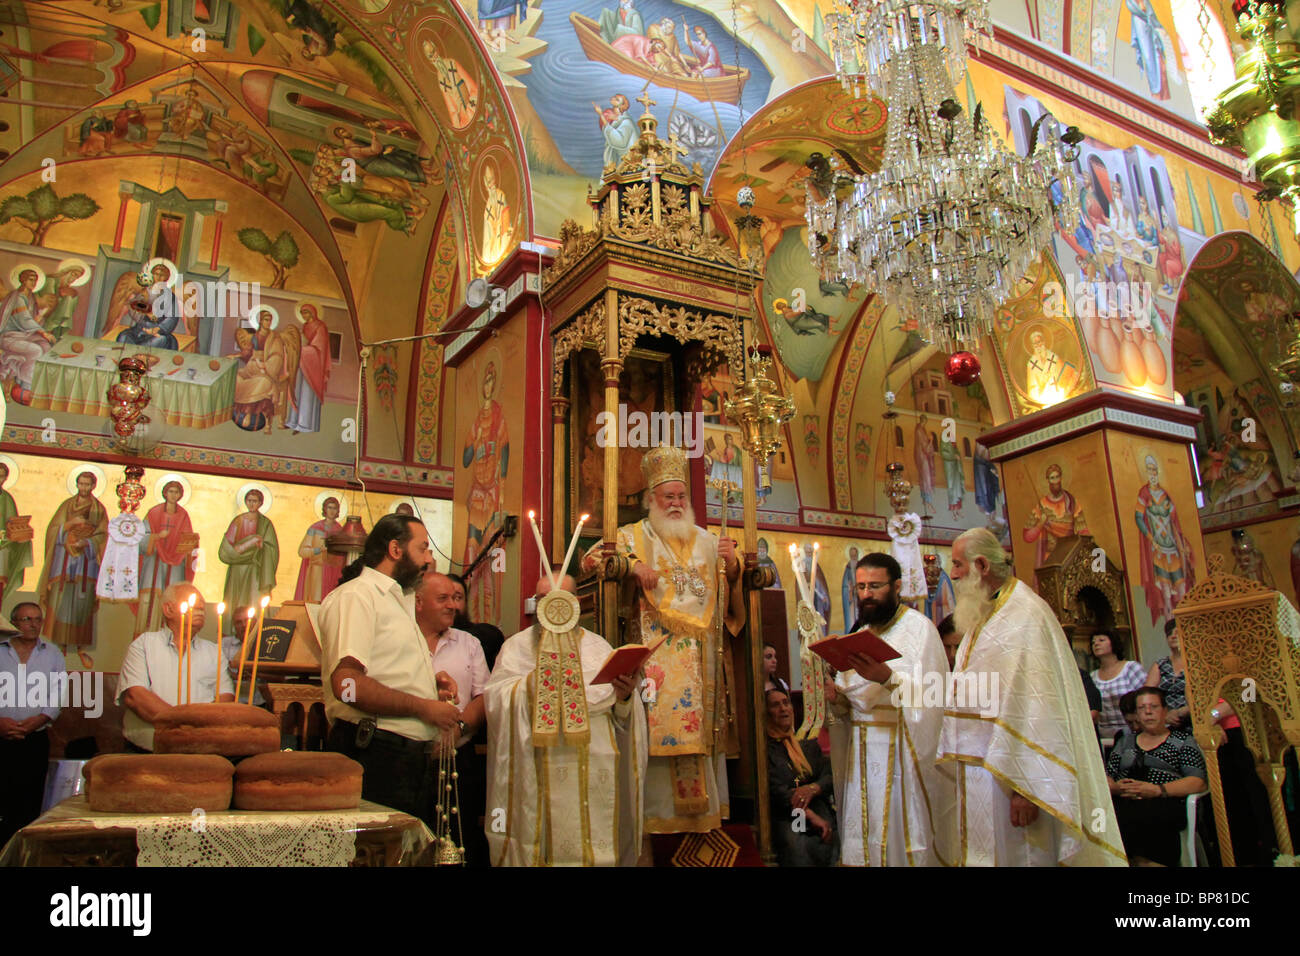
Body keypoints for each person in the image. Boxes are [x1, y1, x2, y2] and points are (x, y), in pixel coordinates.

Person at [939, 527, 1127, 865]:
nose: (952, 575)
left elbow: (1039, 709)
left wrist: (1027, 790)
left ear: (981, 565)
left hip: (1015, 781)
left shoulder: (1024, 616)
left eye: (957, 565)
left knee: (1022, 856)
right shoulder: (983, 615)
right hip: (981, 775)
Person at [582, 444, 744, 835]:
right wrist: (632, 565)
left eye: (680, 496)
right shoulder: (631, 536)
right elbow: (590, 559)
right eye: (667, 496)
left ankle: (701, 823)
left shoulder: (707, 541)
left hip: (701, 664)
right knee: (653, 737)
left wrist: (734, 565)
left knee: (700, 737)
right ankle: (655, 822)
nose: (675, 503)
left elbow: (729, 595)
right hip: (655, 661)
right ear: (651, 500)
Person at [484, 574, 647, 865]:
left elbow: (621, 717)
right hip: (537, 770)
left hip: (596, 771)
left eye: (559, 599)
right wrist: (534, 687)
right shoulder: (516, 648)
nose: (550, 608)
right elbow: (496, 701)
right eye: (543, 600)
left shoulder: (599, 648)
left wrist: (624, 698)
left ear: (575, 603)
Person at [320, 514, 460, 826]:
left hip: (402, 757)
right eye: (423, 549)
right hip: (374, 753)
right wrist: (422, 706)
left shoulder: (400, 600)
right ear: (396, 550)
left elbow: (385, 671)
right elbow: (347, 685)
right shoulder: (358, 596)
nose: (429, 558)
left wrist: (426, 686)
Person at [826, 552, 950, 866]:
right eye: (862, 586)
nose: (866, 594)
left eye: (875, 586)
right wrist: (834, 697)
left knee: (898, 836)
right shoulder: (860, 632)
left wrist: (888, 678)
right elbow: (851, 700)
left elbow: (935, 700)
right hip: (862, 755)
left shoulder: (920, 630)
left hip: (903, 755)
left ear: (896, 587)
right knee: (865, 836)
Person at [415, 571, 490, 866]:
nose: (452, 606)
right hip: (409, 758)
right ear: (419, 602)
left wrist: (457, 730)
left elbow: (484, 697)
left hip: (459, 760)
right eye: (442, 598)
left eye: (455, 599)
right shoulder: (399, 639)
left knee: (460, 841)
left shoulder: (469, 643)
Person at [118, 585, 235, 752]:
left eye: (202, 606)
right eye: (194, 604)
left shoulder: (213, 652)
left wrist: (198, 730)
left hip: (200, 750)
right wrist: (184, 727)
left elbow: (225, 698)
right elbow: (136, 697)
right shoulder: (144, 645)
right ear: (168, 609)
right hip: (148, 751)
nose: (201, 608)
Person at [1106, 687, 1206, 866]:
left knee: (1146, 815)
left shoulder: (1183, 741)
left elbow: (1197, 782)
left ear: (1165, 710)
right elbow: (1106, 776)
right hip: (1124, 799)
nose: (1148, 712)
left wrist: (1157, 790)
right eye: (1142, 709)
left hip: (1165, 800)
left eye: (1153, 707)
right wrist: (1115, 787)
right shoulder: (1124, 742)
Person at [0, 604, 64, 845]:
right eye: (27, 619)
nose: (33, 624)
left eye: (38, 619)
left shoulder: (53, 653)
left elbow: (58, 694)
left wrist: (38, 720)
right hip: (0, 738)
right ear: (14, 622)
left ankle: (22, 854)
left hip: (34, 739)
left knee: (28, 802)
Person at [766, 687, 836, 866]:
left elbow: (828, 776)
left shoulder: (807, 745)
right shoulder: (768, 751)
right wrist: (809, 815)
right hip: (790, 812)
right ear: (766, 713)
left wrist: (813, 789)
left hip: (817, 804)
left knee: (830, 834)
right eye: (775, 705)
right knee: (797, 845)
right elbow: (777, 791)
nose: (783, 709)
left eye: (786, 703)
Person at [38, 471, 108, 646]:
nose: (84, 487)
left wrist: (87, 543)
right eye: (81, 484)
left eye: (87, 484)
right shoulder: (67, 506)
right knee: (59, 598)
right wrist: (69, 525)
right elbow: (53, 530)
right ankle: (52, 645)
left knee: (81, 602)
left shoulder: (98, 509)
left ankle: (79, 647)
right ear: (77, 484)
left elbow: (103, 535)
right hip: (63, 562)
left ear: (93, 486)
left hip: (86, 564)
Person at [1135, 454, 1196, 625]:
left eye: (1154, 470)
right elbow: (1139, 518)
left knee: (1181, 587)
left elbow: (1175, 522)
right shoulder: (1144, 494)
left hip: (1172, 546)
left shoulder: (1165, 495)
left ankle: (1187, 623)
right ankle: (1170, 625)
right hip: (1158, 549)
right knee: (1166, 592)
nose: (1152, 474)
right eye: (1149, 471)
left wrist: (1181, 543)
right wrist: (1150, 538)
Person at [134, 479, 195, 635]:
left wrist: (187, 548)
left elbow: (189, 540)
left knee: (172, 598)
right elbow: (141, 538)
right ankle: (145, 636)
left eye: (176, 492)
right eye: (170, 491)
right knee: (150, 599)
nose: (173, 495)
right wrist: (156, 537)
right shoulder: (153, 513)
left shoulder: (183, 515)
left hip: (175, 565)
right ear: (165, 493)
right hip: (153, 562)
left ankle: (169, 636)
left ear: (180, 495)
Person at [218, 488, 279, 631]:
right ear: (245, 501)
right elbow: (228, 545)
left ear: (260, 503)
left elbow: (272, 548)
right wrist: (249, 544)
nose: (252, 504)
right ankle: (233, 632)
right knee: (235, 601)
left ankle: (255, 634)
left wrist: (263, 546)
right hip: (237, 570)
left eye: (255, 501)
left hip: (255, 569)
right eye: (249, 500)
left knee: (254, 602)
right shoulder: (238, 521)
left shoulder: (265, 524)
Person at [0, 267, 55, 396]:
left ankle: (37, 381)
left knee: (46, 346)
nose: (33, 283)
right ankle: (25, 384)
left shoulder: (31, 297)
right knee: (35, 350)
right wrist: (43, 333)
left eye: (35, 280)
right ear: (23, 280)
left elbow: (33, 320)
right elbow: (25, 320)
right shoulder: (17, 298)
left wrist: (40, 317)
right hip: (9, 337)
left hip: (24, 335)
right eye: (30, 280)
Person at [1023, 463, 1089, 566]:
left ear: (1061, 478)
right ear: (1048, 480)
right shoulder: (1042, 505)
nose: (1055, 481)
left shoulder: (1071, 502)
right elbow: (1027, 537)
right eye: (1052, 478)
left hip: (1070, 553)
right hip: (1051, 557)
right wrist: (1041, 523)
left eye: (1057, 477)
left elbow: (1083, 531)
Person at [1090, 631, 1147, 746]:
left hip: (1133, 731)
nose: (1096, 644)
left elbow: (1145, 697)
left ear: (1113, 643)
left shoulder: (1131, 668)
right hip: (1104, 737)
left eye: (1101, 640)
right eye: (1093, 642)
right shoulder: (1092, 676)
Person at [285, 303, 332, 434]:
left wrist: (301, 350)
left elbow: (318, 348)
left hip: (314, 366)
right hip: (303, 363)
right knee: (297, 391)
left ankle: (305, 424)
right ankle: (293, 421)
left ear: (312, 312)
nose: (304, 316)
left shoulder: (321, 327)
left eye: (305, 312)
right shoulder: (305, 326)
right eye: (302, 313)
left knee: (307, 393)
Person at [446, 571, 505, 670]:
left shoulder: (486, 636)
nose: (452, 605)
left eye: (457, 598)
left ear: (465, 602)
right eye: (444, 597)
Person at [293, 496, 344, 603]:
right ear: (325, 509)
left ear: (338, 511)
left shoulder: (340, 531)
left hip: (333, 574)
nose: (331, 511)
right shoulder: (315, 529)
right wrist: (318, 550)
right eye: (329, 507)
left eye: (334, 508)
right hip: (316, 572)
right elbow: (302, 551)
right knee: (315, 602)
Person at [1145, 618, 1190, 730]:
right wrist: (1165, 716)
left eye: (1177, 633)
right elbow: (1147, 696)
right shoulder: (1160, 665)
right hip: (1165, 722)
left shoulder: (1195, 663)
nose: (1172, 636)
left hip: (1194, 719)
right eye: (1169, 634)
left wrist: (1181, 712)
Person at [0, 462, 33, 606]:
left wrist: (20, 535)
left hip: (3, 546)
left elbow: (13, 524)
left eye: (1, 476)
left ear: (5, 478)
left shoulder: (7, 498)